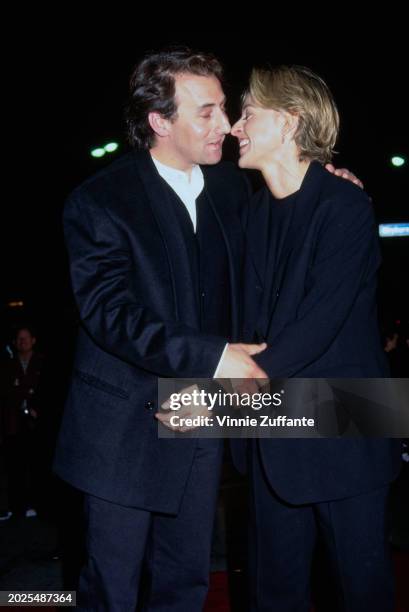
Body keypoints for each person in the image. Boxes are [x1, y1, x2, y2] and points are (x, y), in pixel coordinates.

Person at [53, 48, 268, 612]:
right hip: (120, 431)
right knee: (112, 590)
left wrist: (330, 183)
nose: (226, 123)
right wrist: (215, 357)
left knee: (186, 581)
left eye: (224, 107)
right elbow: (109, 313)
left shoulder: (230, 190)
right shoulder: (99, 200)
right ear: (159, 121)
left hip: (197, 417)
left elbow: (261, 270)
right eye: (207, 111)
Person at [231, 65, 402, 612]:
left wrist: (213, 398)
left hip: (350, 421)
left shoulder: (346, 205)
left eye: (248, 113)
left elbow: (320, 322)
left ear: (289, 121)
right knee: (272, 593)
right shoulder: (251, 213)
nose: (237, 126)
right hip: (273, 421)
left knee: (361, 591)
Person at [0, 326, 44, 518]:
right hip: (14, 422)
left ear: (33, 340)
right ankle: (15, 506)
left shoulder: (42, 362)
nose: (22, 342)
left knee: (36, 465)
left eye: (25, 338)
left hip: (36, 422)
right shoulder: (8, 364)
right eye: (18, 339)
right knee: (14, 465)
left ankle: (35, 504)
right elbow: (7, 392)